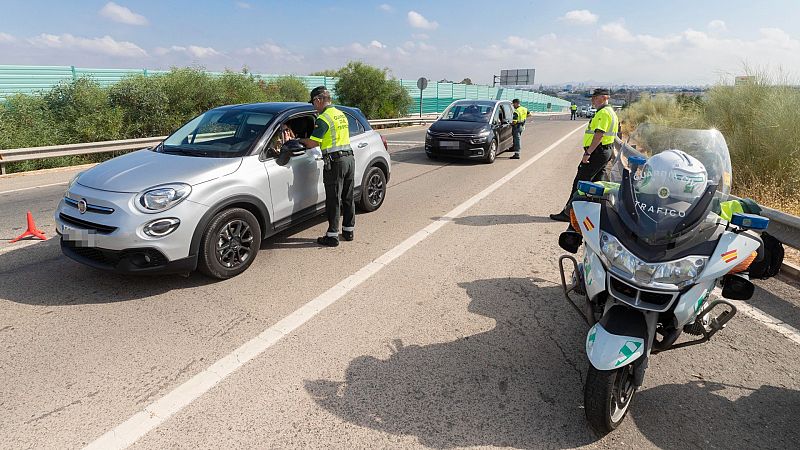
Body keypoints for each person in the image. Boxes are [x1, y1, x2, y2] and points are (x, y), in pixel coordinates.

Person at [550, 88, 619, 222]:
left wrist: (588, 153)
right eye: (592, 98)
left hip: (597, 152)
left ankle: (569, 213)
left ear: (604, 98)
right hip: (605, 151)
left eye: (595, 97)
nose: (592, 100)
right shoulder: (611, 112)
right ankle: (597, 213)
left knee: (580, 182)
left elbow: (599, 134)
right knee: (597, 183)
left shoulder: (603, 113)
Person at [298, 86, 355, 247]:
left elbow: (312, 143)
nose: (314, 107)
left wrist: (299, 140)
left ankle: (332, 236)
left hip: (336, 162)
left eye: (313, 103)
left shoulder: (324, 118)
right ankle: (348, 231)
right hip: (349, 159)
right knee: (348, 197)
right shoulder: (340, 114)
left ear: (318, 100)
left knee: (333, 199)